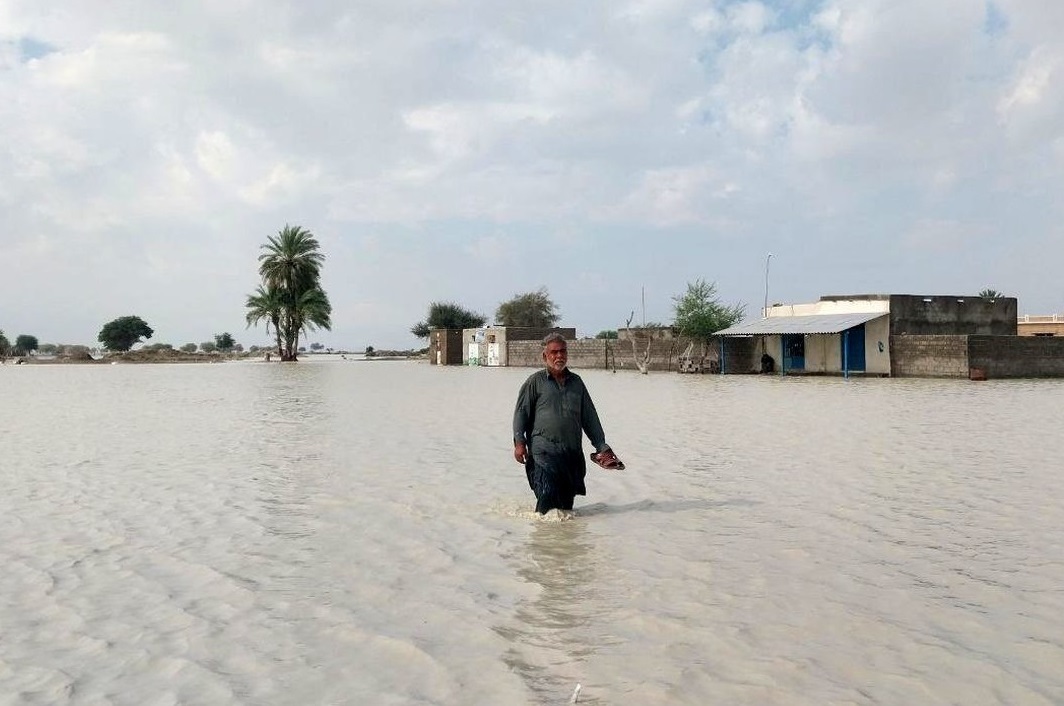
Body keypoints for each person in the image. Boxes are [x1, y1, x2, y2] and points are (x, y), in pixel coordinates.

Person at [512, 333, 622, 514]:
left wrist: (601, 446)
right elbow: (521, 413)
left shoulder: (577, 383)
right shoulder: (535, 382)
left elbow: (590, 417)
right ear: (544, 356)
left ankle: (564, 541)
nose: (559, 356)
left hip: (571, 455)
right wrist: (519, 443)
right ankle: (540, 540)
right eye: (554, 352)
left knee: (565, 507)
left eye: (562, 351)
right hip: (543, 453)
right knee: (546, 495)